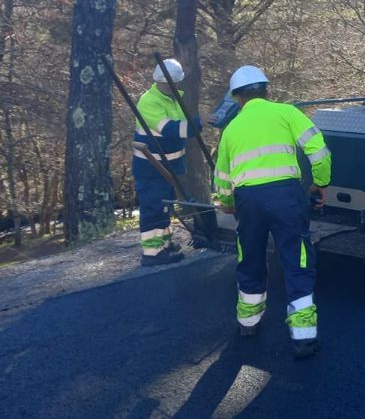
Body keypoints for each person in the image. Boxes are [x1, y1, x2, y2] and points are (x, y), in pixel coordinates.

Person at [212, 65, 332, 359]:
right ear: (266, 90)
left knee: (250, 256)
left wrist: (227, 203)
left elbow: (222, 176)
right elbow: (318, 149)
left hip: (248, 200)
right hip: (287, 197)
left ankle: (248, 323)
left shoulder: (231, 130)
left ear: (237, 98)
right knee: (296, 259)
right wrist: (320, 182)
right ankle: (303, 337)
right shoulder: (287, 113)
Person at [133, 58, 202, 266]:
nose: (171, 87)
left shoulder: (172, 99)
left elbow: (179, 127)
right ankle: (152, 253)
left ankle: (165, 243)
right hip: (152, 168)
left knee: (166, 206)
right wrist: (199, 123)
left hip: (169, 167)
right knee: (154, 207)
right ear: (159, 81)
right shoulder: (149, 101)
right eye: (167, 83)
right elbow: (171, 130)